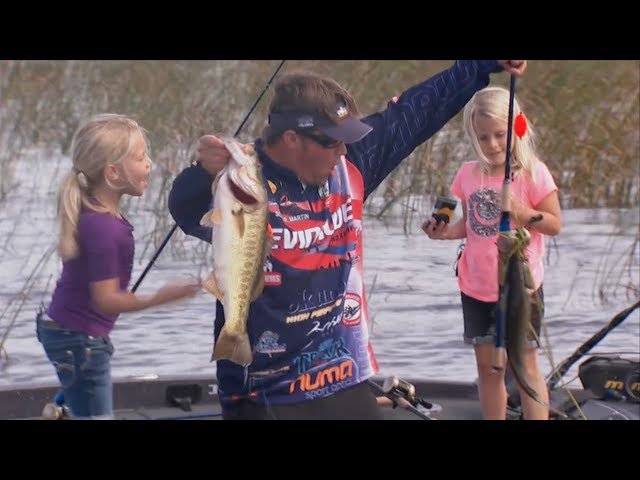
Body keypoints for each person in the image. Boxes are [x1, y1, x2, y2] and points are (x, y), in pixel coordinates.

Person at [168, 61, 528, 420]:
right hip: (266, 389)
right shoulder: (241, 182)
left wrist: (484, 64)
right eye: (334, 142)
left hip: (342, 375)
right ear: (292, 139)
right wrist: (201, 175)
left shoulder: (350, 165)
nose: (343, 152)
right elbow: (186, 211)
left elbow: (417, 112)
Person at [37, 114, 202, 419]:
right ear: (113, 172)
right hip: (79, 341)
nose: (149, 163)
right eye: (140, 157)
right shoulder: (104, 228)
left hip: (67, 332)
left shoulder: (93, 211)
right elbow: (106, 299)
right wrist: (160, 298)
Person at [421, 86, 562, 420]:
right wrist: (443, 232)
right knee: (489, 368)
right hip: (476, 286)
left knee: (524, 365)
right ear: (474, 137)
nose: (494, 145)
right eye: (484, 138)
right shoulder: (468, 174)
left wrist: (521, 211)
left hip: (520, 290)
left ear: (518, 129)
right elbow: (470, 227)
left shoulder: (533, 173)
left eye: (501, 135)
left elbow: (554, 224)